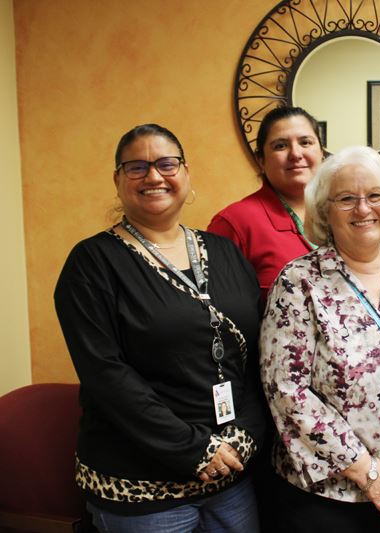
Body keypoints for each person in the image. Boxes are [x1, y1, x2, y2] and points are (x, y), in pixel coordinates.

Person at [54, 124, 267, 531]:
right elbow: (106, 375)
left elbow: (255, 356)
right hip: (141, 485)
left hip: (230, 474)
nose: (154, 176)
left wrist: (245, 435)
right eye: (136, 167)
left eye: (167, 164)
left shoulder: (224, 252)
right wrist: (195, 450)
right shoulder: (92, 263)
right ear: (117, 181)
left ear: (186, 175)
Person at [260, 146, 380, 532]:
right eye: (346, 199)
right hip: (332, 498)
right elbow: (286, 389)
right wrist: (366, 471)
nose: (363, 209)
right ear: (323, 212)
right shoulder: (298, 283)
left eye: (374, 196)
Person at [208, 106, 325, 300]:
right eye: (280, 146)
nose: (295, 154)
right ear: (261, 160)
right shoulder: (235, 223)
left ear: (321, 152)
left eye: (305, 142)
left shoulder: (343, 212)